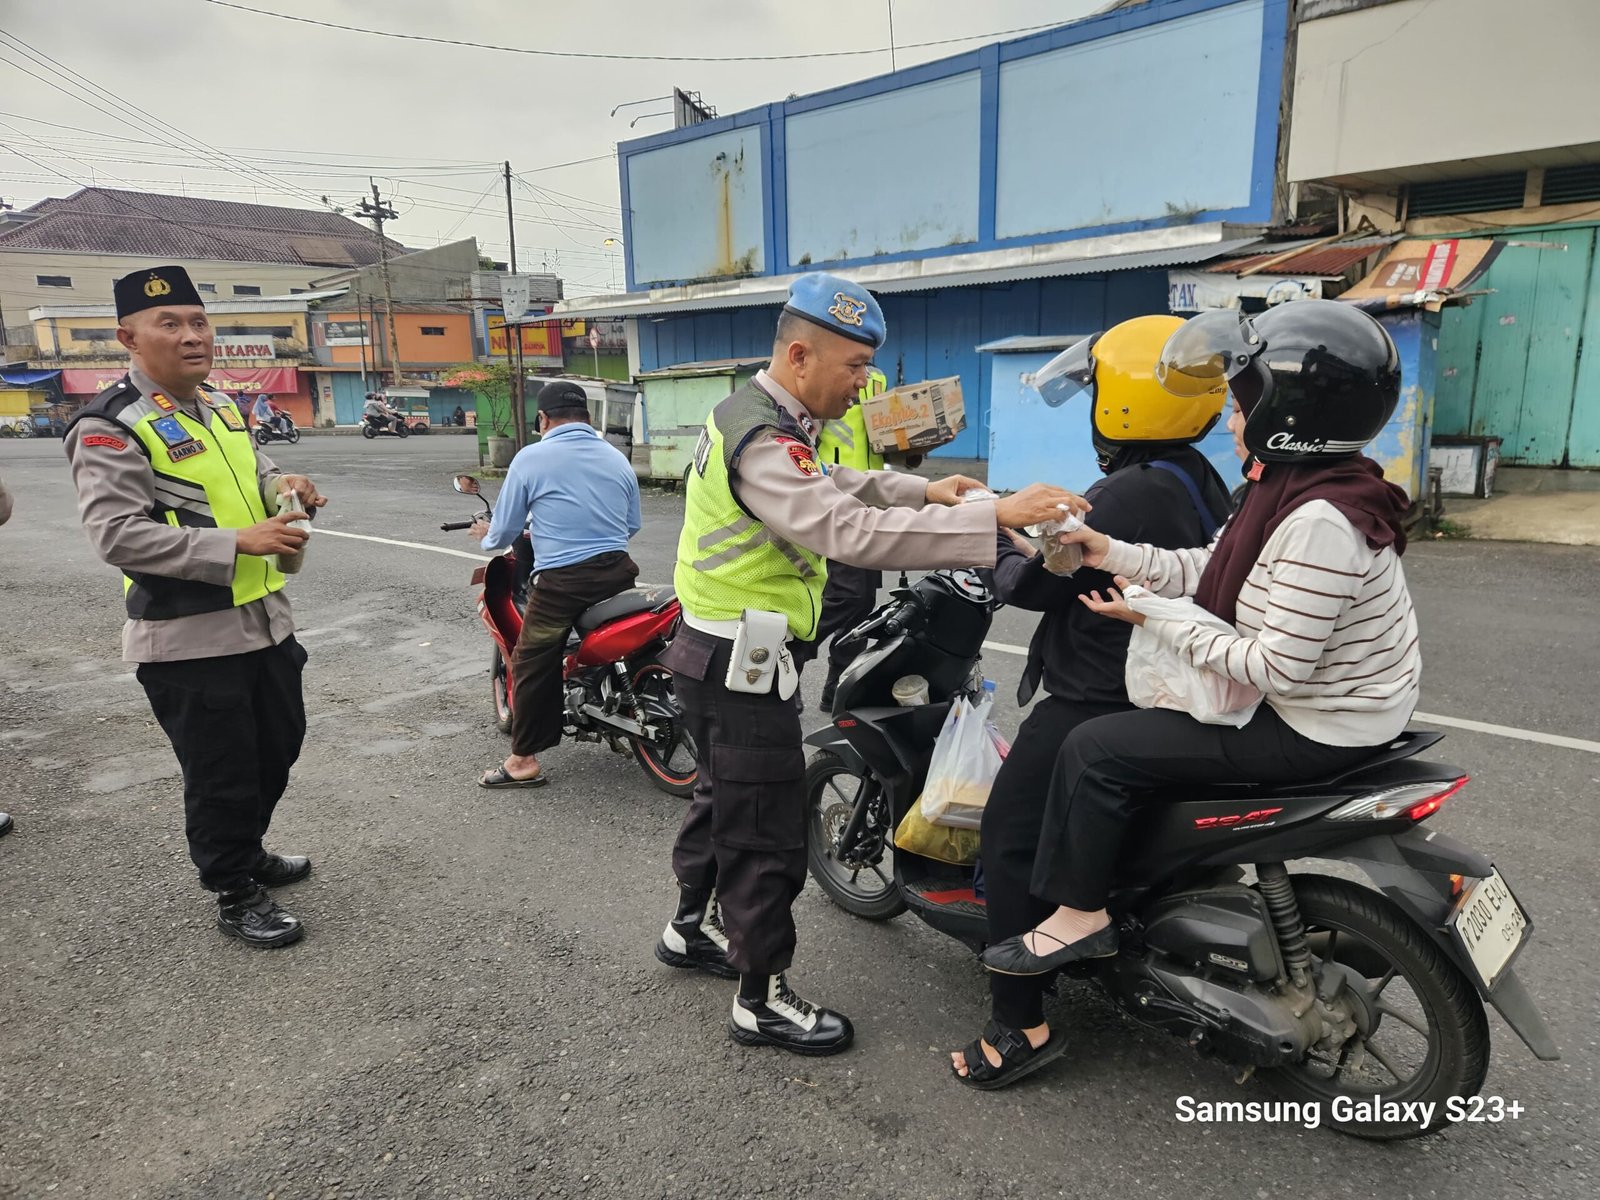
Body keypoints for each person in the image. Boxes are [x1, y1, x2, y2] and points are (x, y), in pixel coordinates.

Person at [654, 271, 1086, 1056]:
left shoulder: (760, 418)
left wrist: (926, 491)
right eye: (854, 367)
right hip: (737, 665)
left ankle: (690, 929)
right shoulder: (764, 438)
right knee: (765, 831)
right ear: (799, 356)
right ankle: (761, 1000)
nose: (864, 385)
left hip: (715, 654)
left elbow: (833, 481)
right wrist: (992, 517)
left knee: (722, 801)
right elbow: (845, 530)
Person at [979, 302, 1418, 1007]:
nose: (1232, 421)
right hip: (1339, 707)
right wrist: (1107, 551)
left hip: (1319, 724)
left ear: (1287, 416)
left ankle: (1082, 915)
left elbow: (1276, 668)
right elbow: (1203, 565)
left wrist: (1152, 615)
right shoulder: (1295, 487)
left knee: (1095, 749)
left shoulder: (1318, 521)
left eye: (1242, 407)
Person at [948, 315, 1234, 1088]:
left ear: (1126, 401)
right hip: (1164, 689)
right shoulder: (1195, 476)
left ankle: (1019, 1025)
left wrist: (991, 534)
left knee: (1008, 837)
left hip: (1098, 697)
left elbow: (1034, 586)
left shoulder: (1129, 491)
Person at [63, 264, 327, 949]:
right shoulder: (110, 425)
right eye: (170, 324)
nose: (191, 336)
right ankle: (234, 886)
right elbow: (117, 535)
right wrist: (238, 541)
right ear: (129, 338)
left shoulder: (221, 406)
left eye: (199, 322)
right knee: (222, 772)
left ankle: (245, 848)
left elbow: (257, 474)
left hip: (264, 620)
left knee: (278, 746)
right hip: (187, 636)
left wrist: (288, 485)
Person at [468, 380, 641, 789]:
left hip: (564, 583)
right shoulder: (616, 458)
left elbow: (506, 527)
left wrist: (487, 536)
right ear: (586, 416)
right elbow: (631, 524)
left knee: (531, 658)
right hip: (619, 571)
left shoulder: (531, 458)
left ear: (543, 419)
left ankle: (522, 760)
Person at [790, 365, 888, 712]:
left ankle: (839, 689)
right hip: (833, 497)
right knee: (848, 596)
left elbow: (886, 443)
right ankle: (791, 658)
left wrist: (915, 445)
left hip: (871, 502)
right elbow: (801, 435)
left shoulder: (878, 380)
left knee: (862, 605)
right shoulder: (826, 374)